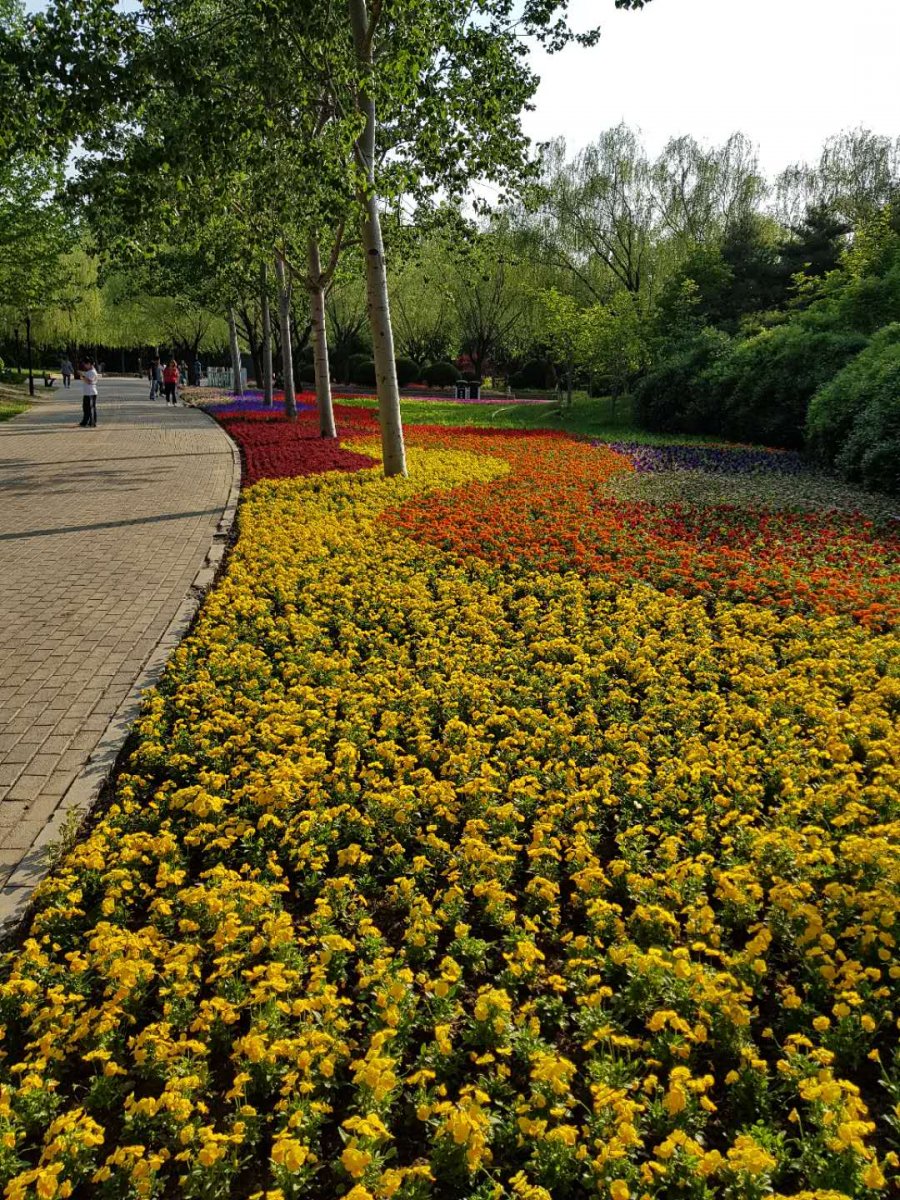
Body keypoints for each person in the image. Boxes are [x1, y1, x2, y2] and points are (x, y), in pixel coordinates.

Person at [79, 358, 98, 427]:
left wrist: (83, 376)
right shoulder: (89, 371)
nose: (85, 366)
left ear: (89, 364)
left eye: (85, 364)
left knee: (91, 408)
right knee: (85, 408)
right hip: (87, 392)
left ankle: (92, 422)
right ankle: (85, 421)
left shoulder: (93, 372)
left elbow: (89, 381)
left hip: (91, 393)